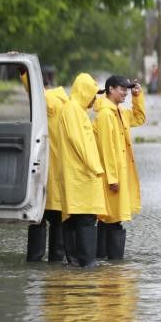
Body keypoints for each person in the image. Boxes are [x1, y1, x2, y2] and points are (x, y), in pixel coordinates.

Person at [93, 75, 146, 261]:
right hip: (111, 178)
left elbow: (139, 118)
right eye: (123, 89)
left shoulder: (120, 112)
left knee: (112, 218)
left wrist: (137, 96)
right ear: (110, 89)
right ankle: (109, 261)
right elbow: (106, 149)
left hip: (119, 175)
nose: (125, 93)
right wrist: (112, 178)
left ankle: (107, 262)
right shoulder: (106, 115)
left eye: (127, 89)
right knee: (110, 218)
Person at [57, 73, 107, 267]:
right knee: (86, 217)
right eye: (93, 94)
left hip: (79, 174)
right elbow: (79, 142)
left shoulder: (75, 110)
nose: (95, 99)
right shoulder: (73, 110)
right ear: (84, 91)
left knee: (74, 217)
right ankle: (86, 263)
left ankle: (76, 263)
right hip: (82, 174)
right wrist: (96, 168)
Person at [26, 84, 69, 262]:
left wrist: (24, 75)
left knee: (38, 219)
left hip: (43, 173)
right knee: (58, 222)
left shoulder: (50, 103)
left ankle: (35, 260)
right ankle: (56, 262)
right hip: (60, 176)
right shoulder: (69, 107)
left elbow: (34, 92)